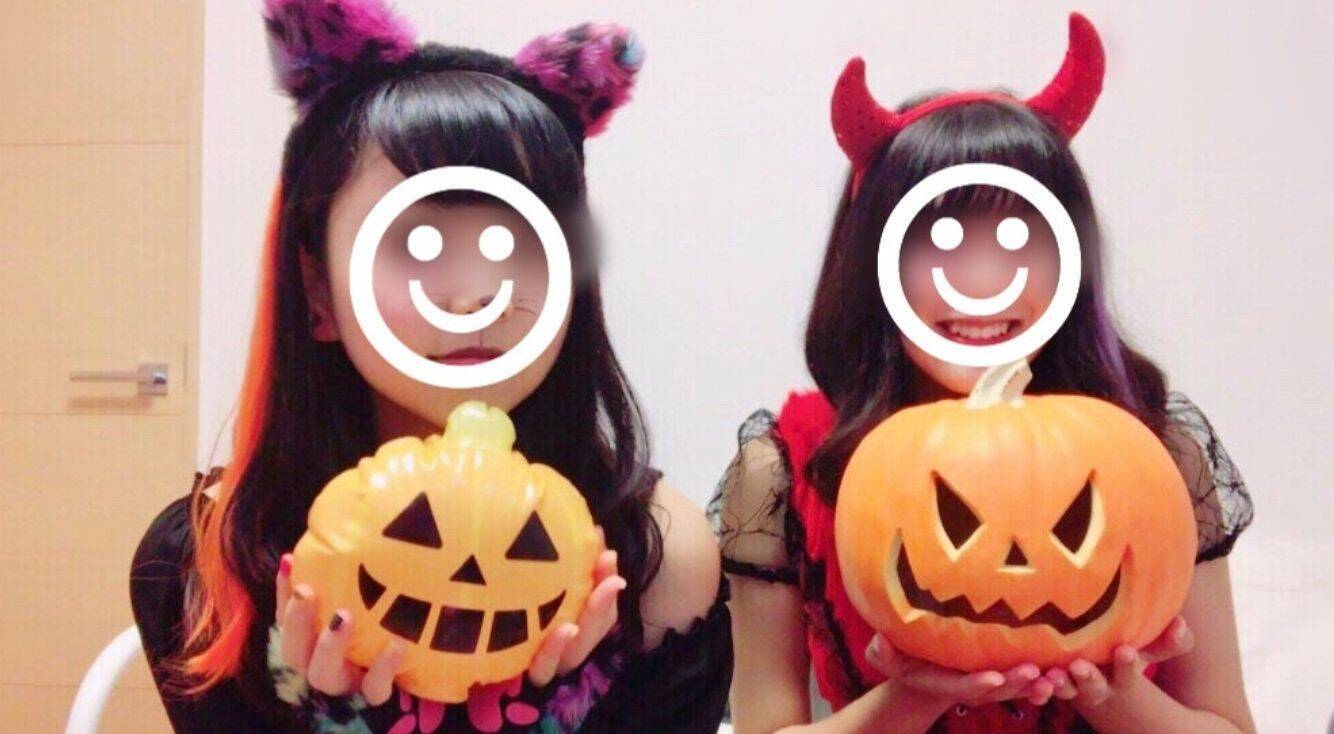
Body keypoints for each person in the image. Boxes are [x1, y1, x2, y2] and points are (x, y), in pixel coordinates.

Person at [131, 1, 729, 731]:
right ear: (317, 290)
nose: (473, 293)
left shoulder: (656, 559)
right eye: (418, 243)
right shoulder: (206, 567)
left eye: (516, 242)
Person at [711, 13, 1256, 734]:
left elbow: (1229, 724)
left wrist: (1116, 696)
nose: (981, 281)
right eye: (938, 243)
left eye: (1016, 239)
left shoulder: (1156, 446)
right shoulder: (786, 468)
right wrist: (913, 694)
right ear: (874, 264)